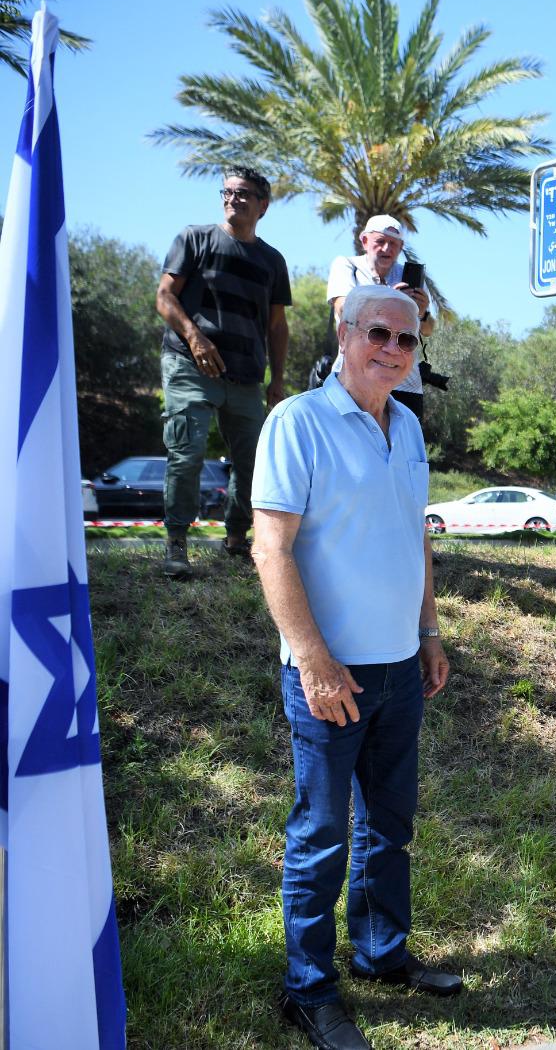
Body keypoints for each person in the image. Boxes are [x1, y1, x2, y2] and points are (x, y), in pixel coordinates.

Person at [251, 286, 456, 1050]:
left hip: (401, 669)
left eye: (408, 341)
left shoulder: (405, 426)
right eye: (379, 333)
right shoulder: (297, 422)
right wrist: (313, 660)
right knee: (322, 835)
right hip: (330, 678)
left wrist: (429, 630)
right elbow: (269, 548)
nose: (395, 351)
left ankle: (380, 956)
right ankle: (307, 989)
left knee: (389, 828)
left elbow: (416, 540)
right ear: (344, 334)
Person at [154, 164, 292, 579]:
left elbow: (276, 325)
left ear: (263, 206)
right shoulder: (194, 238)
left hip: (247, 377)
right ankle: (176, 543)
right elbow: (164, 297)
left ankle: (235, 538)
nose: (233, 199)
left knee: (254, 464)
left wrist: (278, 380)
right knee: (187, 451)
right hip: (188, 365)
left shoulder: (272, 260)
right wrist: (195, 337)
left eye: (244, 194)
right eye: (228, 192)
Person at [325, 215, 435, 419]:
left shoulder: (411, 277)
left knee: (402, 446)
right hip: (354, 379)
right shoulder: (348, 266)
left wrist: (422, 311)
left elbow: (427, 330)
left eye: (393, 243)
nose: (386, 249)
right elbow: (343, 309)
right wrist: (392, 302)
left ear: (401, 247)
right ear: (365, 241)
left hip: (404, 385)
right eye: (380, 241)